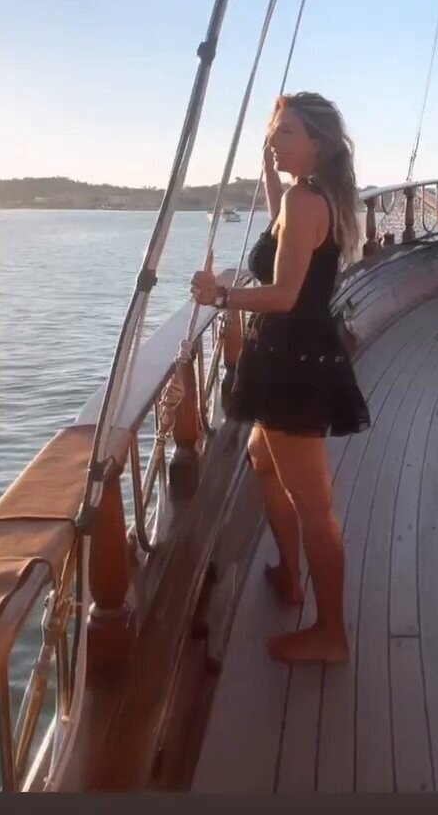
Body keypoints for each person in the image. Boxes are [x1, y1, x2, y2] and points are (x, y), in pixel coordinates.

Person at [190, 91, 370, 665]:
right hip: (295, 356)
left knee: (315, 507)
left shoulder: (304, 201)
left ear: (316, 143)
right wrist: (271, 167)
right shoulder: (314, 195)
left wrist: (221, 296)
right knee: (262, 460)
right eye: (274, 131)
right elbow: (284, 230)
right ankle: (290, 574)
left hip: (293, 365)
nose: (275, 139)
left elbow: (285, 294)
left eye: (286, 131)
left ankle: (331, 633)